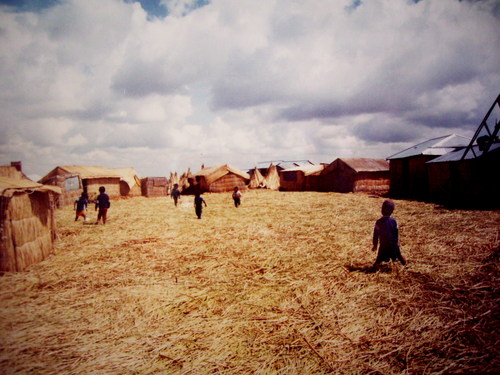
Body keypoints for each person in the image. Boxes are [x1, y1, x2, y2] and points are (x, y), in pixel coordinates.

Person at [372, 199, 406, 268]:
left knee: (379, 259)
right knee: (399, 255)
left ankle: (374, 267)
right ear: (392, 211)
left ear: (382, 210)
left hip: (384, 245)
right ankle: (405, 265)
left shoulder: (379, 222)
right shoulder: (394, 221)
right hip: (393, 244)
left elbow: (375, 235)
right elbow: (396, 233)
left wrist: (375, 245)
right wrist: (396, 242)